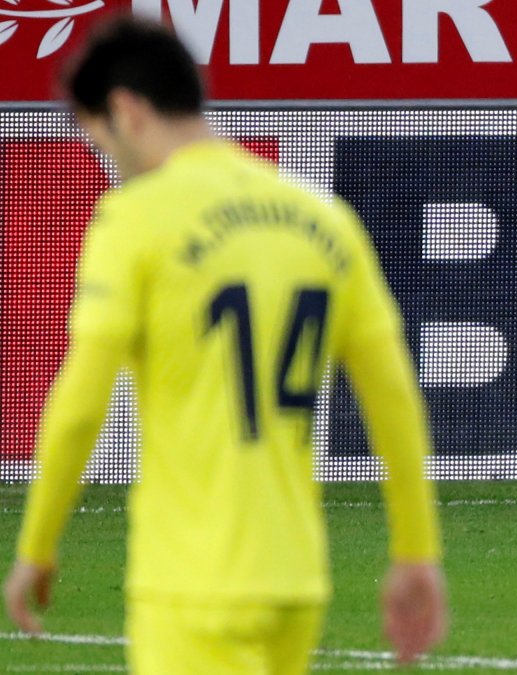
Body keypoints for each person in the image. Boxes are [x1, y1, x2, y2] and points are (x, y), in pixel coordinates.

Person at [2, 16, 447, 673]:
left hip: (190, 583)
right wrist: (416, 550)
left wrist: (36, 546)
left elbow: (79, 404)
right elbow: (393, 398)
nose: (108, 159)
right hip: (295, 582)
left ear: (125, 111)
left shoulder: (137, 217)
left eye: (98, 139)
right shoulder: (324, 217)